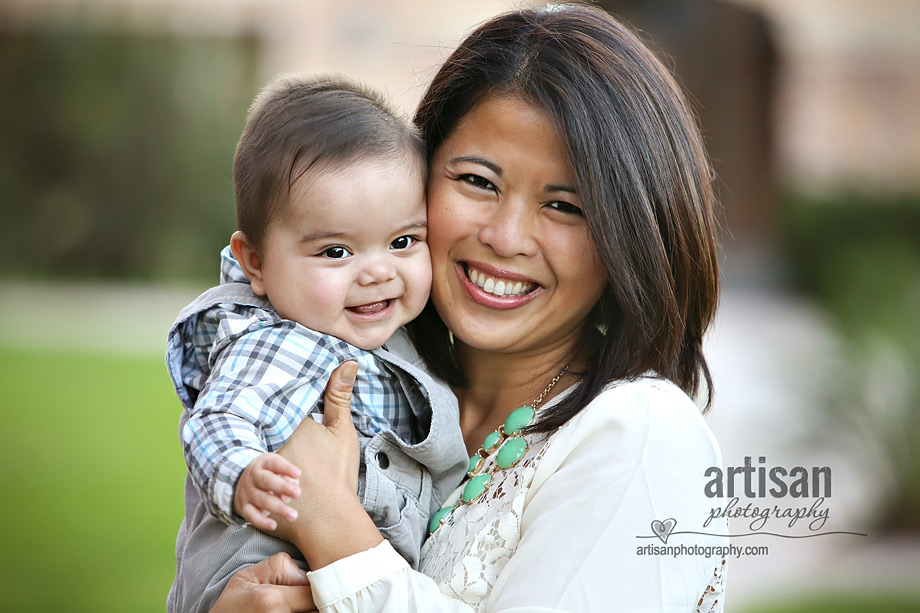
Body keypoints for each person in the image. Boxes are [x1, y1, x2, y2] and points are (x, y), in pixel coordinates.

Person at [213, 4, 727, 611]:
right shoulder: (384, 391)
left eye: (566, 206)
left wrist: (330, 522)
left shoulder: (638, 436)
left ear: (630, 238)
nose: (506, 237)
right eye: (479, 181)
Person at [164, 74, 468, 612]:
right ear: (255, 261)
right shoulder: (277, 341)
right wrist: (242, 476)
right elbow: (216, 419)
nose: (378, 272)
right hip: (265, 583)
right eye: (335, 252)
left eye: (402, 241)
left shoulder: (395, 335)